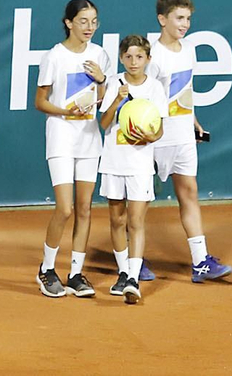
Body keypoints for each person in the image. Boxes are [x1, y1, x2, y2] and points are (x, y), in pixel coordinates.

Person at [143, 0, 232, 285]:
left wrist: (193, 120)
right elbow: (144, 98)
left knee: (189, 193)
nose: (185, 24)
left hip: (183, 135)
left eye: (188, 19)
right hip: (156, 138)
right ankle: (133, 259)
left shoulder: (189, 50)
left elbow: (185, 91)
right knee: (141, 201)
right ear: (162, 19)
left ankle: (200, 262)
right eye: (179, 18)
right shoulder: (152, 56)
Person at [33, 0, 110, 299]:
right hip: (61, 137)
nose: (89, 27)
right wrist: (66, 112)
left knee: (85, 208)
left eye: (94, 21)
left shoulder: (100, 54)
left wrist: (102, 80)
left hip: (89, 139)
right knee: (65, 208)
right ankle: (46, 269)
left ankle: (76, 273)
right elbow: (40, 101)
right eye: (83, 21)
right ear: (68, 23)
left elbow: (103, 99)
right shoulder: (54, 56)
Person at [99, 33, 167, 304]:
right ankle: (123, 272)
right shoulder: (114, 83)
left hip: (140, 164)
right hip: (113, 161)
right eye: (128, 57)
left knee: (135, 221)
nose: (133, 62)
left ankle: (133, 279)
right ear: (121, 58)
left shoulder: (155, 88)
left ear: (148, 59)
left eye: (139, 57)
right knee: (117, 220)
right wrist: (117, 100)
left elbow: (159, 129)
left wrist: (150, 136)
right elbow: (104, 123)